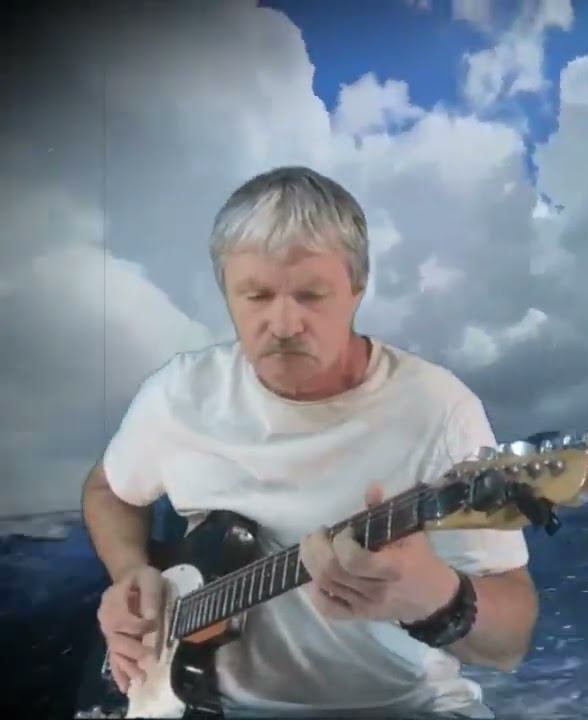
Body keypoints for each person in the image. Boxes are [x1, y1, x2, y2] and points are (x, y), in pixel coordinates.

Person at [80, 166, 538, 718]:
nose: (283, 323)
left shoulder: (440, 410)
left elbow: (510, 643)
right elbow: (108, 490)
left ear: (357, 289)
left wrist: (439, 597)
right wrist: (130, 573)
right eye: (256, 295)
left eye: (311, 295)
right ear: (226, 292)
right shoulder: (179, 394)